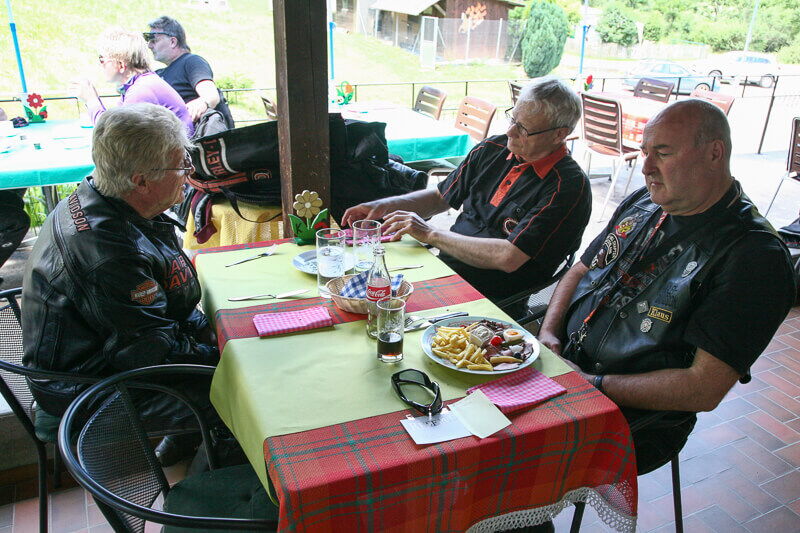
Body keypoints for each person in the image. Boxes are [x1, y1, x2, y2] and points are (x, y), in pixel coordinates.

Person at [538, 99, 795, 474]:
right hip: (564, 366)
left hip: (635, 419)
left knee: (491, 456)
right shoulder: (647, 200)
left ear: (714, 153)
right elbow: (581, 270)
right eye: (645, 151)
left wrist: (591, 382)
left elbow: (703, 388)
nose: (645, 167)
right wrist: (548, 332)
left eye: (663, 152)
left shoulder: (753, 255)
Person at [22, 103, 220, 464]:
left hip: (105, 358)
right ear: (140, 180)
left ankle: (185, 443)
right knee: (244, 389)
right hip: (91, 389)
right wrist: (227, 355)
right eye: (181, 165)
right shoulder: (109, 253)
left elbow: (161, 316)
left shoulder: (105, 197)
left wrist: (211, 335)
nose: (188, 174)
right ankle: (222, 478)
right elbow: (149, 352)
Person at [342, 77, 591, 302]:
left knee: (384, 308)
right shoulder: (493, 148)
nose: (510, 132)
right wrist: (381, 206)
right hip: (446, 269)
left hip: (495, 296)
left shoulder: (567, 187)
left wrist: (430, 233)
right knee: (361, 284)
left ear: (559, 134)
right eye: (513, 119)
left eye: (523, 128)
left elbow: (509, 257)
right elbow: (440, 197)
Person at [71, 28, 194, 136]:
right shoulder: (139, 84)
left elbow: (110, 134)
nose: (100, 64)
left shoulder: (140, 91)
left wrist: (91, 100)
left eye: (102, 59)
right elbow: (113, 123)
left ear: (121, 65)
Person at [145, 16, 234, 130]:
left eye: (154, 40)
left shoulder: (192, 62)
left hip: (196, 137)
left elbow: (211, 95)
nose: (149, 46)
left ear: (173, 42)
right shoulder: (159, 73)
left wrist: (202, 103)